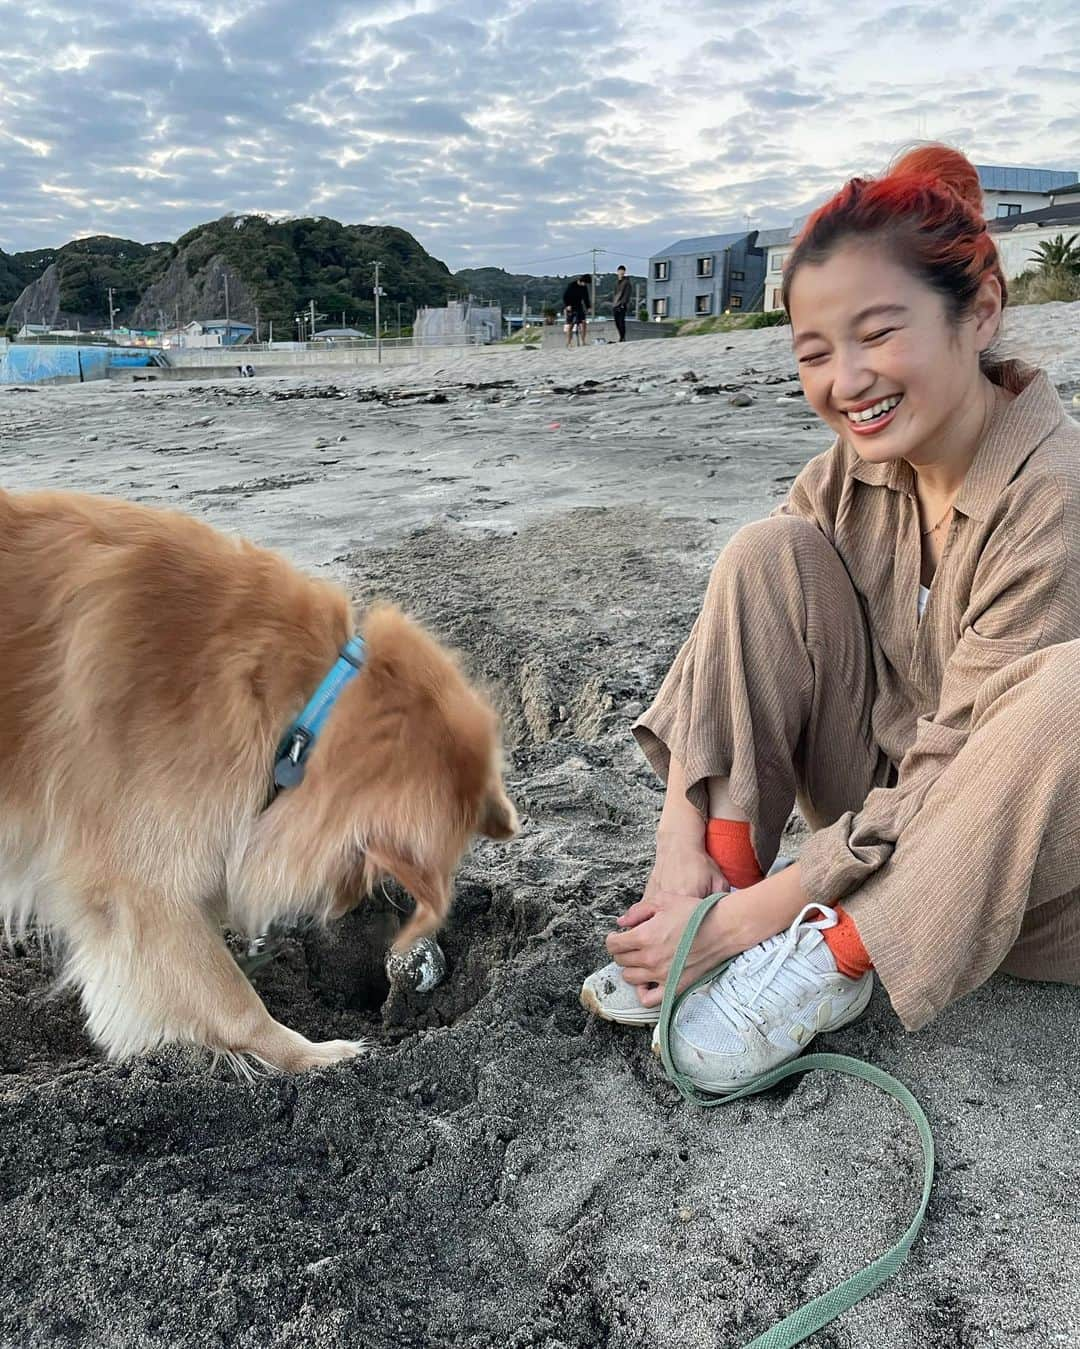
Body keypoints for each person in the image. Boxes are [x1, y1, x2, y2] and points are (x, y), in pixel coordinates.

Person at [580, 143, 1080, 1094]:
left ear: (978, 312)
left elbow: (957, 778)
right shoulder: (855, 468)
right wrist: (682, 861)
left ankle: (828, 956)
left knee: (1073, 691)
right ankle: (723, 879)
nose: (847, 379)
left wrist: (758, 921)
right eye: (815, 353)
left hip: (1023, 883)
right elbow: (744, 634)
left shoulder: (1055, 493)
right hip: (874, 809)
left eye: (877, 334)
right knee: (765, 554)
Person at [562, 275, 591, 347]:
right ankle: (569, 342)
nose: (585, 285)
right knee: (571, 324)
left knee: (584, 322)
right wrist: (567, 305)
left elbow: (586, 298)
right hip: (570, 306)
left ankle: (583, 341)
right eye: (585, 283)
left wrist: (588, 307)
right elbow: (565, 296)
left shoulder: (584, 287)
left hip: (579, 305)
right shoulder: (572, 285)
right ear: (582, 281)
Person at [611, 265, 632, 342]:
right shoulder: (616, 283)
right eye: (619, 272)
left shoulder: (626, 283)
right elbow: (615, 294)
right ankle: (621, 336)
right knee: (617, 322)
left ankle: (622, 337)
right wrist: (614, 304)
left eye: (622, 272)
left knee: (621, 321)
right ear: (617, 272)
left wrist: (623, 303)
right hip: (615, 305)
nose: (621, 273)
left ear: (624, 272)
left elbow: (627, 294)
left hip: (622, 305)